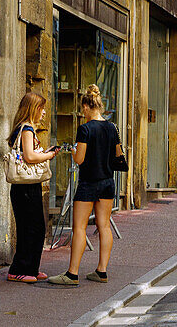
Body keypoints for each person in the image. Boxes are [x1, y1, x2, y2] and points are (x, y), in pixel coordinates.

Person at [48, 85, 123, 286]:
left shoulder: (85, 129)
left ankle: (72, 274)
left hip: (89, 183)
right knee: (104, 226)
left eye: (82, 109)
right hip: (107, 182)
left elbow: (80, 159)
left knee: (79, 227)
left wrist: (73, 151)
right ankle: (102, 270)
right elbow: (117, 156)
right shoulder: (112, 128)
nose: (82, 112)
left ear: (87, 106)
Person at [6, 92, 59, 283]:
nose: (44, 112)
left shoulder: (25, 128)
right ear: (34, 109)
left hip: (29, 185)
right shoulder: (26, 129)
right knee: (30, 227)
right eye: (41, 108)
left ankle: (31, 268)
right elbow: (29, 156)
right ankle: (18, 270)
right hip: (25, 187)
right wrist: (48, 155)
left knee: (36, 227)